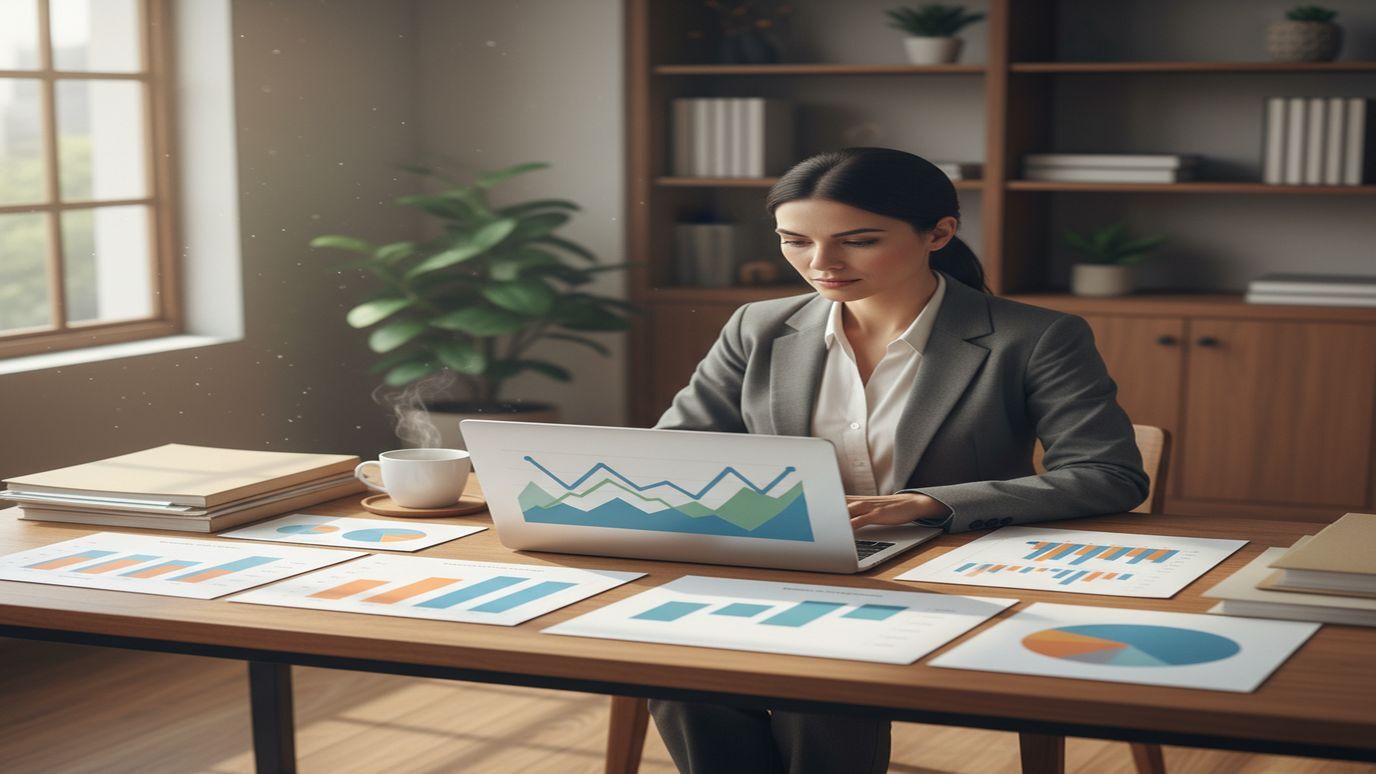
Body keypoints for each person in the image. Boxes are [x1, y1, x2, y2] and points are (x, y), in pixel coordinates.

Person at [648, 147, 1149, 774]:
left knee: (818, 679)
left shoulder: (1034, 337)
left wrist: (931, 504)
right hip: (786, 561)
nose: (821, 264)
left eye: (856, 241)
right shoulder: (758, 326)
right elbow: (677, 453)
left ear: (939, 232)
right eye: (794, 241)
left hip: (942, 569)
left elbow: (1110, 475)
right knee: (682, 671)